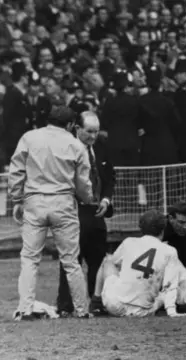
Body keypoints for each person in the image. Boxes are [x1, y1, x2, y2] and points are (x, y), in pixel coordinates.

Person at [9, 105, 94, 320]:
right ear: (70, 125)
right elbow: (83, 183)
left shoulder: (29, 137)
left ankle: (26, 308)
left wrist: (17, 199)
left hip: (35, 201)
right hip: (63, 202)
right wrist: (87, 199)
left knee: (29, 258)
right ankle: (82, 310)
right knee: (71, 261)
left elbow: (17, 170)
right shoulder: (76, 145)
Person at [57, 111, 116, 317]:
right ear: (77, 129)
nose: (93, 136)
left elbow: (110, 178)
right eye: (89, 131)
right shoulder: (66, 149)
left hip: (97, 212)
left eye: (96, 132)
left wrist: (106, 200)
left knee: (97, 258)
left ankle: (96, 301)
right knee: (71, 258)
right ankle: (65, 306)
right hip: (74, 210)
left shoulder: (101, 148)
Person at [92, 210, 186, 318]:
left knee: (107, 261)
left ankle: (96, 304)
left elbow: (114, 263)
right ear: (163, 230)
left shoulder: (128, 242)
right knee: (163, 291)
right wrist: (171, 311)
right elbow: (170, 285)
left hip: (115, 305)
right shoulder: (169, 250)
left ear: (141, 228)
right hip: (143, 312)